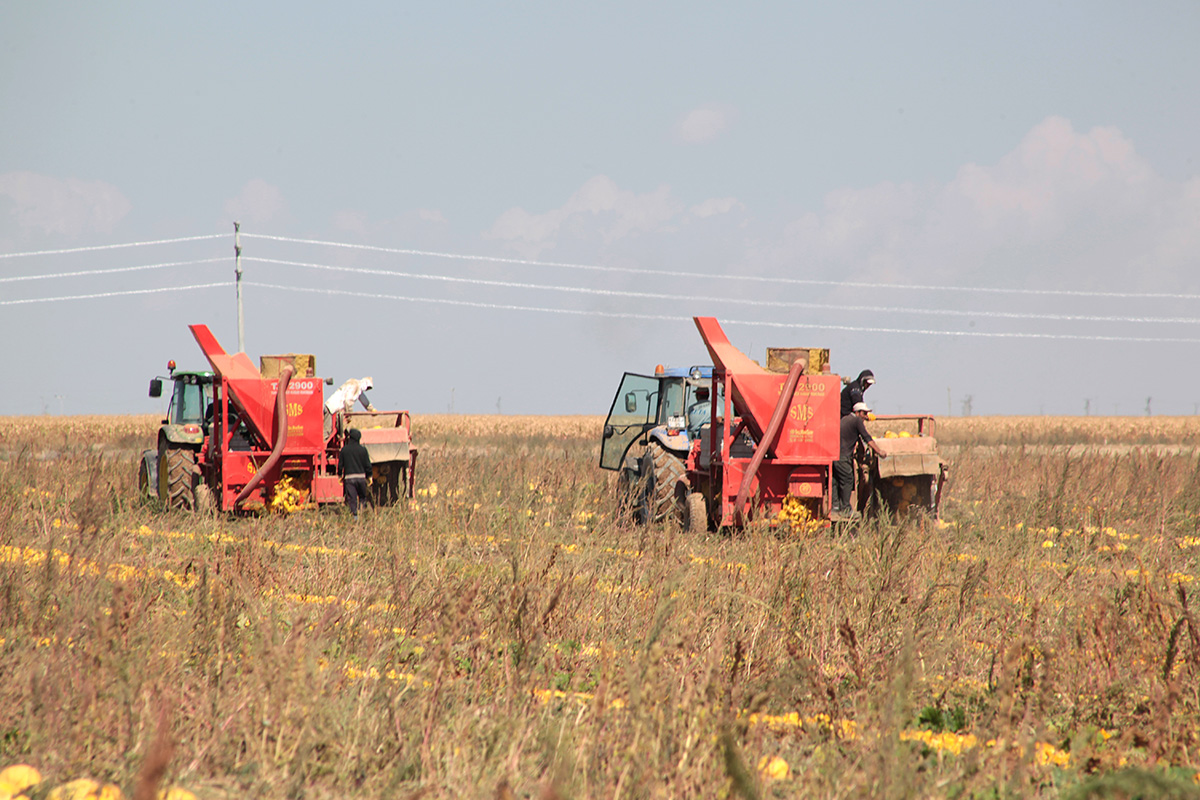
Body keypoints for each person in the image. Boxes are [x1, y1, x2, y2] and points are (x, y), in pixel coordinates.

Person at [833, 401, 887, 516]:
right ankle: (845, 509)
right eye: (864, 413)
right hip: (843, 456)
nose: (865, 416)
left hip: (834, 455)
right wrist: (879, 451)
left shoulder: (845, 419)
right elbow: (866, 437)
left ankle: (835, 507)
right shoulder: (856, 420)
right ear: (857, 412)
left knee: (836, 480)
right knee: (848, 480)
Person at [339, 428, 372, 519]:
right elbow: (367, 465)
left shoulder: (344, 450)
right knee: (362, 497)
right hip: (361, 478)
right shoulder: (363, 450)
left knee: (352, 499)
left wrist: (340, 476)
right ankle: (362, 515)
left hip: (349, 479)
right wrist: (369, 476)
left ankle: (355, 518)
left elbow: (340, 465)